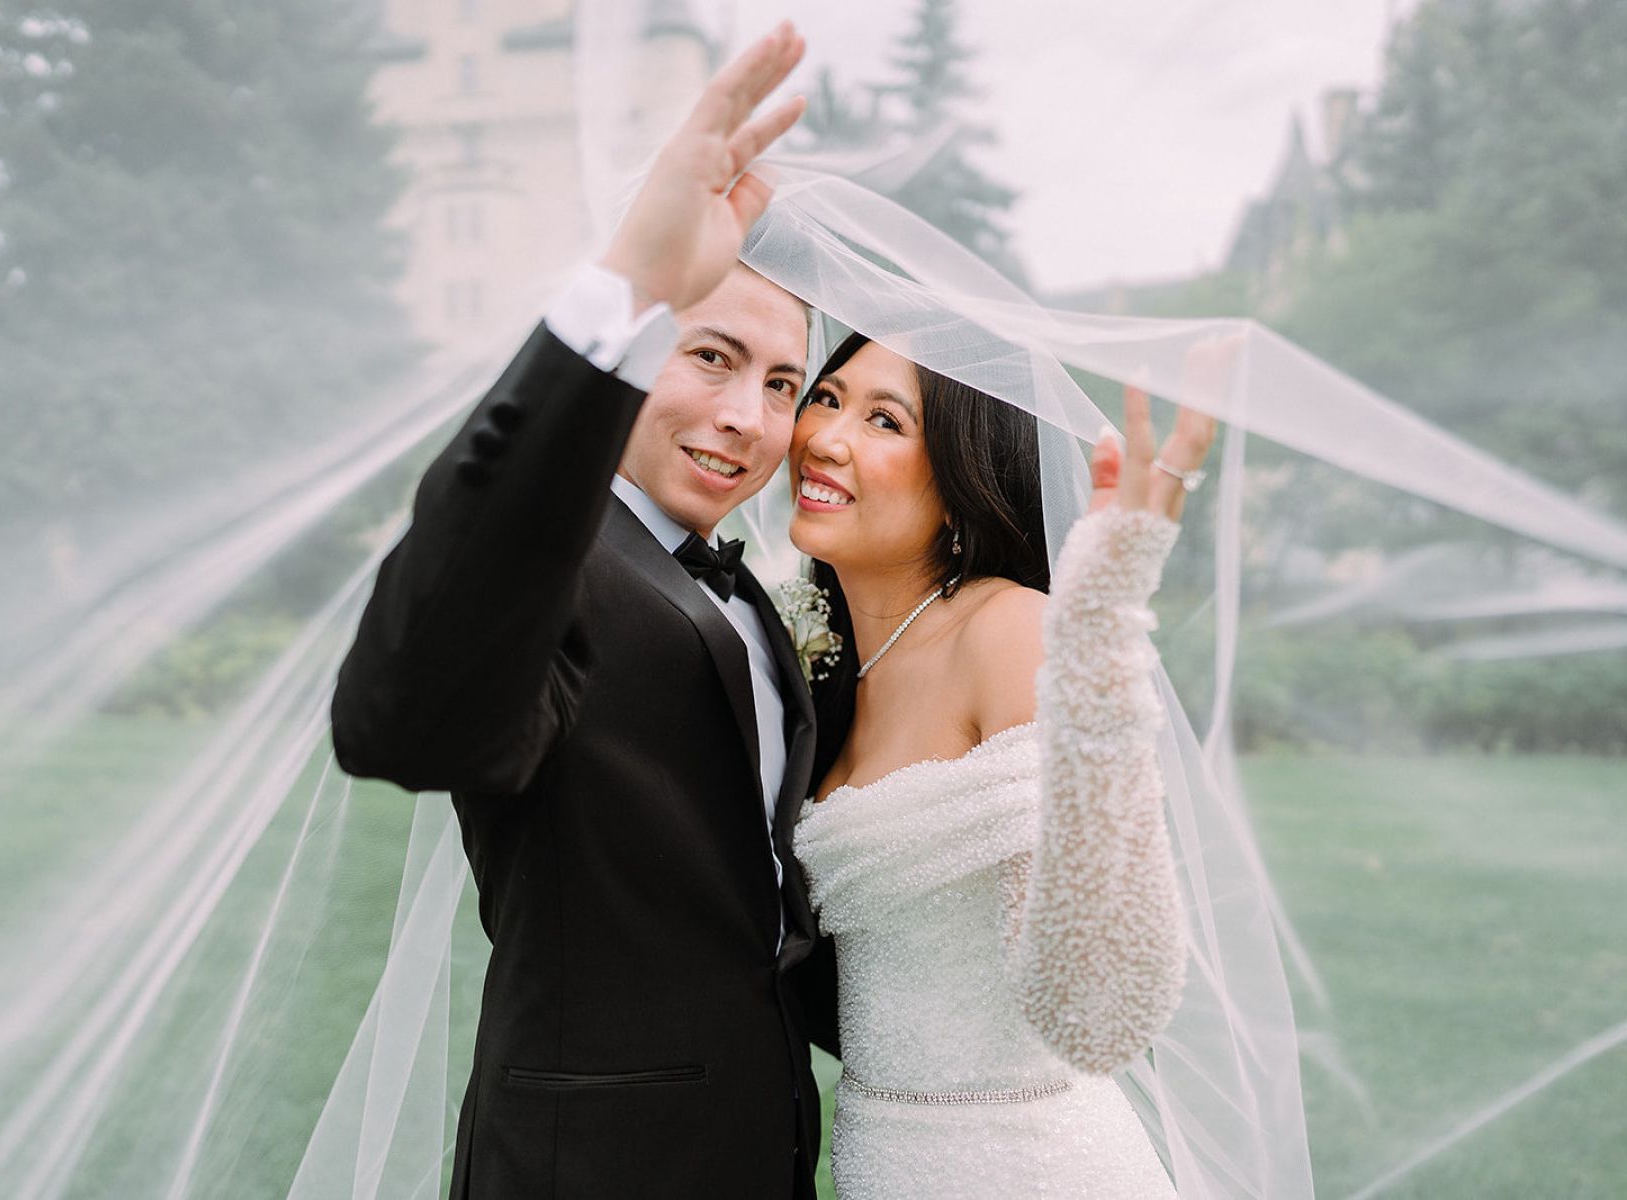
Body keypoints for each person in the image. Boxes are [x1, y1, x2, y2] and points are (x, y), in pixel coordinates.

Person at [330, 23, 838, 1199]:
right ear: (641, 349)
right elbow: (400, 720)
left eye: (780, 385)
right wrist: (622, 288)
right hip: (588, 1167)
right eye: (708, 356)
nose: (748, 420)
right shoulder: (556, 564)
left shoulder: (748, 595)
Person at [788, 332, 1216, 1196]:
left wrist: (1099, 629)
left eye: (883, 420)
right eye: (827, 398)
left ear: (960, 476)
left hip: (1030, 1163)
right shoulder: (823, 660)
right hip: (883, 1155)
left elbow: (1094, 1008)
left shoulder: (1006, 631)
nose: (826, 438)